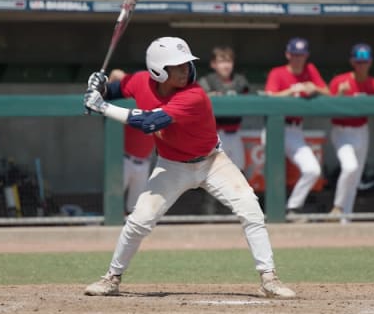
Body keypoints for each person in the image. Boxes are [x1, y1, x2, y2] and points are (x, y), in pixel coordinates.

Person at [81, 36, 295, 299]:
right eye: (177, 65)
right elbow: (118, 88)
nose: (185, 69)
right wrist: (100, 87)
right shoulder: (140, 81)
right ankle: (111, 279)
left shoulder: (194, 96)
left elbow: (150, 122)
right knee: (139, 221)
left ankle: (269, 279)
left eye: (186, 63)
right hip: (172, 165)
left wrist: (101, 107)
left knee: (250, 209)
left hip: (212, 162)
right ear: (158, 70)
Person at [263, 37, 330, 216]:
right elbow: (269, 96)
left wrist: (313, 88)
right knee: (268, 174)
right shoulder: (277, 72)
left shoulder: (310, 70)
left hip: (295, 130)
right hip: (274, 128)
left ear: (306, 55)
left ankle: (293, 207)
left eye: (301, 55)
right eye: (294, 54)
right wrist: (291, 91)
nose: (298, 58)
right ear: (288, 54)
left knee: (312, 169)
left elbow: (328, 92)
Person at [327, 43, 374, 223]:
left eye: (365, 62)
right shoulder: (340, 81)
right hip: (341, 131)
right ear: (352, 62)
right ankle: (338, 207)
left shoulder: (372, 83)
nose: (361, 65)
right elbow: (326, 106)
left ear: (370, 63)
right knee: (350, 167)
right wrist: (339, 94)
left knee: (355, 179)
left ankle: (345, 221)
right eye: (358, 62)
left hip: (361, 130)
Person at [109, 69, 155, 215]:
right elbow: (116, 74)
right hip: (124, 160)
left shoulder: (161, 102)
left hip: (144, 162)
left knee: (135, 209)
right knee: (112, 201)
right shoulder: (131, 100)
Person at [198, 46, 250, 170]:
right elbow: (197, 102)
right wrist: (210, 96)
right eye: (221, 62)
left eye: (229, 61)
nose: (226, 65)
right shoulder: (206, 81)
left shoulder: (240, 81)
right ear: (213, 64)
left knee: (239, 171)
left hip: (235, 133)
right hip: (214, 135)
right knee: (212, 173)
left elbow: (248, 102)